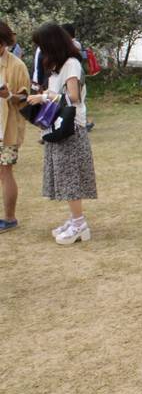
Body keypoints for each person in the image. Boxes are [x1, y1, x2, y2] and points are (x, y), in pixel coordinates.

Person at [27, 23, 97, 245]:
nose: (41, 51)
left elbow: (73, 97)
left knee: (69, 176)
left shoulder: (71, 64)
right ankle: (75, 219)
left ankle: (79, 224)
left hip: (70, 128)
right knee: (65, 175)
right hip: (60, 126)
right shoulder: (59, 65)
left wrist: (44, 97)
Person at [0, 21, 31, 233]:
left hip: (7, 128)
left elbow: (25, 98)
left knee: (6, 172)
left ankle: (10, 218)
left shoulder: (17, 66)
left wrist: (9, 95)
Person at [61, 23, 95, 132]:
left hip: (75, 76)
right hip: (78, 75)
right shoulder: (76, 44)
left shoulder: (72, 45)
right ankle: (83, 123)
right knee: (79, 101)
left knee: (76, 101)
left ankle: (81, 124)